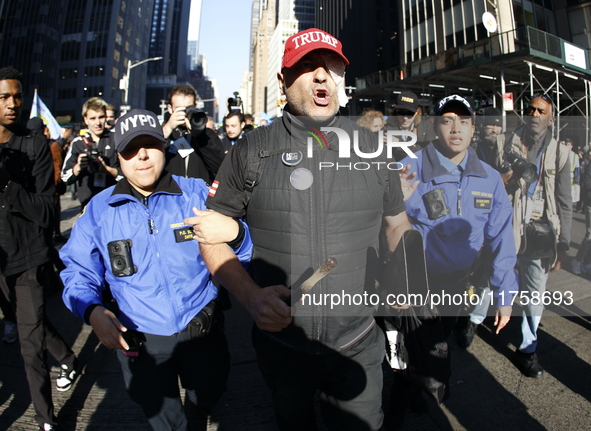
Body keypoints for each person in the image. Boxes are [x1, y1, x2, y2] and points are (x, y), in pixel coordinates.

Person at [191, 28, 411, 431]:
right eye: (307, 67)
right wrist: (251, 297)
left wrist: (407, 273)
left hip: (358, 342)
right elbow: (209, 234)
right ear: (283, 82)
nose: (322, 76)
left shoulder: (376, 151)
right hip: (282, 347)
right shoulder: (251, 151)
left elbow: (396, 224)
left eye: (331, 66)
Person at [60, 109, 253, 431]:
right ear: (118, 156)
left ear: (164, 147)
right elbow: (78, 271)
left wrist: (238, 233)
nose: (142, 156)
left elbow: (245, 251)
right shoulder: (99, 209)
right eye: (131, 149)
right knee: (164, 420)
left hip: (201, 328)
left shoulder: (197, 193)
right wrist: (92, 312)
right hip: (140, 338)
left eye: (150, 144)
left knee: (209, 394)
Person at [399, 94, 515, 340]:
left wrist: (503, 293)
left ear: (473, 129)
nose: (455, 128)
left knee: (439, 348)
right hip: (415, 284)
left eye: (463, 121)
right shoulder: (408, 169)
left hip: (459, 283)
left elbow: (502, 237)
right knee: (420, 361)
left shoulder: (490, 178)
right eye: (447, 121)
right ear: (434, 128)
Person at [0, 66, 78, 431]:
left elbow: (48, 210)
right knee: (24, 323)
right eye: (3, 98)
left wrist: (10, 187)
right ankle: (66, 356)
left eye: (17, 97)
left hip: (28, 256)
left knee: (29, 345)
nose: (12, 104)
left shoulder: (35, 146)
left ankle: (46, 420)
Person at [500, 94, 571, 378]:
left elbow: (564, 200)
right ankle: (474, 319)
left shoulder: (561, 153)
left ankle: (528, 350)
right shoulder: (507, 143)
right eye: (530, 109)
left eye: (541, 110)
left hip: (541, 231)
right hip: (508, 223)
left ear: (550, 118)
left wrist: (563, 244)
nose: (535, 114)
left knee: (534, 294)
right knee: (490, 277)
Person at [61, 97, 121, 207]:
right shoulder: (78, 143)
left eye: (101, 117)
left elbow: (129, 175)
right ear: (85, 119)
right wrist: (78, 167)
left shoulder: (116, 139)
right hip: (87, 204)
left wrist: (107, 170)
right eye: (93, 118)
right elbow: (64, 177)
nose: (98, 123)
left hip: (114, 202)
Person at [162, 84, 225, 183]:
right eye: (179, 109)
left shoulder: (207, 134)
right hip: (170, 195)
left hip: (200, 195)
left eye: (188, 109)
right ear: (170, 109)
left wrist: (200, 137)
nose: (184, 113)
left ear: (195, 106)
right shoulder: (161, 134)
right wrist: (168, 129)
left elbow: (220, 167)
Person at [386, 90, 434, 160]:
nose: (405, 118)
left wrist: (399, 143)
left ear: (417, 113)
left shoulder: (427, 128)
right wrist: (415, 147)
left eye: (409, 114)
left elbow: (427, 154)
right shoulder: (387, 130)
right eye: (401, 113)